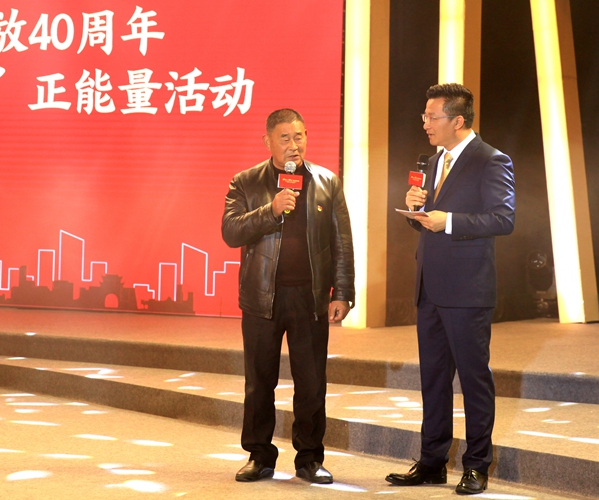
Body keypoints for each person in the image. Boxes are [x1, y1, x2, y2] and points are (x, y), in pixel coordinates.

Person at [385, 83, 515, 495]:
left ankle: (477, 466)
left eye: (432, 117)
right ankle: (432, 462)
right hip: (430, 287)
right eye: (424, 116)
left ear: (458, 120)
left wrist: (450, 220)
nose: (425, 123)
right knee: (434, 379)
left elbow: (503, 219)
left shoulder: (491, 160)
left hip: (467, 289)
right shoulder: (433, 160)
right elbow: (428, 222)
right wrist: (417, 210)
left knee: (474, 381)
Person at [221, 108, 354, 485]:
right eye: (285, 138)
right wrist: (272, 209)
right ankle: (259, 455)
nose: (294, 145)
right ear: (267, 141)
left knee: (311, 383)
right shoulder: (245, 182)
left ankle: (309, 458)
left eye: (300, 136)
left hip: (310, 299)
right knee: (259, 382)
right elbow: (231, 232)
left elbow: (342, 243)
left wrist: (343, 292)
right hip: (261, 299)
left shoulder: (327, 182)